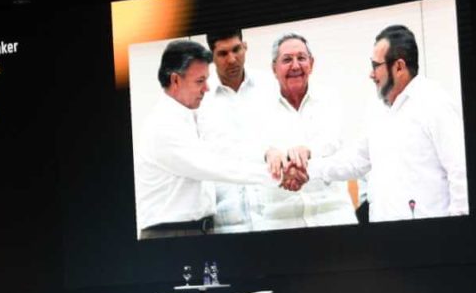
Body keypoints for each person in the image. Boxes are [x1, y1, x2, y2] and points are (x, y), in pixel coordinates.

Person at [134, 39, 303, 239]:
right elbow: (213, 166)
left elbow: (225, 148)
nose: (206, 88)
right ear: (175, 80)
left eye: (206, 79)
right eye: (199, 81)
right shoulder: (163, 126)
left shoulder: (191, 116)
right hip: (170, 234)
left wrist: (267, 153)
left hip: (198, 230)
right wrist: (278, 176)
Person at [307, 24, 468, 221]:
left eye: (376, 66)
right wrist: (307, 169)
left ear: (399, 67)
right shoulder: (376, 108)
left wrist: (457, 231)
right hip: (384, 238)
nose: (371, 74)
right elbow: (356, 160)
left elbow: (460, 172)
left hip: (431, 240)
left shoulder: (435, 102)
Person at [257, 33, 357, 230]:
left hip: (333, 215)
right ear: (274, 68)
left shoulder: (330, 100)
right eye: (287, 59)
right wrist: (281, 166)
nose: (295, 66)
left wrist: (307, 152)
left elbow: (333, 142)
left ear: (311, 63)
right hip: (281, 222)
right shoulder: (259, 109)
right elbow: (257, 152)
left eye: (301, 58)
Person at [196, 29, 275, 233]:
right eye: (222, 54)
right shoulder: (199, 100)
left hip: (274, 216)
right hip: (227, 224)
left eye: (236, 50)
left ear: (245, 46)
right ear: (211, 56)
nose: (232, 59)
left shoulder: (270, 87)